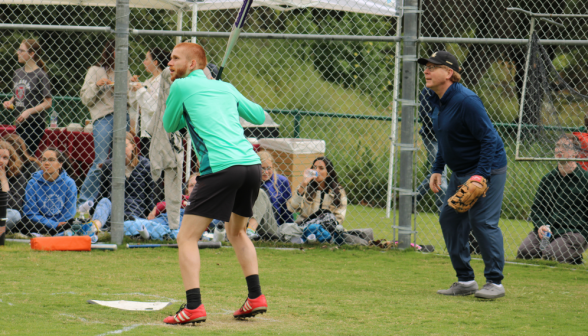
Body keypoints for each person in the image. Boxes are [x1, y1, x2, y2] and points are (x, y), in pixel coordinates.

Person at [161, 42, 267, 324]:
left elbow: (170, 125)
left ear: (193, 64)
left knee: (186, 237)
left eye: (175, 59)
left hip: (221, 167)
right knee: (237, 233)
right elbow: (258, 115)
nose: (169, 63)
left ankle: (193, 306)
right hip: (250, 165)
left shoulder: (181, 87)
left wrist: (202, 92)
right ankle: (255, 297)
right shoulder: (226, 87)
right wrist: (220, 89)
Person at [420, 51, 508, 299]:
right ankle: (466, 280)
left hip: (488, 168)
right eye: (425, 66)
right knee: (450, 219)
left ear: (449, 73)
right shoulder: (433, 97)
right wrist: (437, 168)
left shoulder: (466, 100)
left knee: (482, 222)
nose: (426, 70)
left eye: (432, 67)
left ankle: (495, 282)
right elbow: (444, 137)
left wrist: (481, 175)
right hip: (459, 170)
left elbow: (489, 138)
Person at [517, 134, 588, 264]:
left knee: (550, 255)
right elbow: (537, 209)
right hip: (549, 231)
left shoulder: (585, 180)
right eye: (557, 146)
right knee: (524, 252)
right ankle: (572, 257)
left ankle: (572, 255)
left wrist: (585, 235)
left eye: (565, 146)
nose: (559, 150)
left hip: (574, 231)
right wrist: (541, 226)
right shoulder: (548, 179)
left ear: (576, 153)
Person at [79, 39, 130, 205]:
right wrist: (97, 86)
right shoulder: (95, 70)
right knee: (101, 160)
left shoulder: (125, 71)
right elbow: (85, 99)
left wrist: (125, 89)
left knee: (123, 159)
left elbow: (132, 100)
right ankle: (85, 200)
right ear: (112, 52)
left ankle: (117, 200)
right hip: (103, 117)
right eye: (119, 50)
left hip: (123, 116)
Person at [90, 132, 155, 231]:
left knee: (130, 221)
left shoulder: (145, 165)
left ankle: (124, 227)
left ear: (133, 146)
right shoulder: (109, 165)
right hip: (113, 212)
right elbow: (102, 193)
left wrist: (150, 214)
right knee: (104, 201)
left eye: (124, 145)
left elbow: (149, 195)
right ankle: (93, 230)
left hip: (134, 213)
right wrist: (92, 211)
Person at [2, 39, 52, 156]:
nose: (17, 52)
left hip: (34, 123)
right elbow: (18, 94)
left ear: (31, 54)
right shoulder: (17, 72)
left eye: (21, 50)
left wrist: (29, 111)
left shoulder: (41, 75)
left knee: (23, 156)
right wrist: (10, 102)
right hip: (20, 123)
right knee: (19, 156)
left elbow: (48, 102)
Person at [15, 148, 77, 236]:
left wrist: (59, 224)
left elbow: (69, 213)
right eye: (43, 160)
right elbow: (30, 213)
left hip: (62, 223)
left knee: (72, 224)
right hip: (40, 223)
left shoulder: (69, 183)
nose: (46, 163)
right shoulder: (33, 183)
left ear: (60, 164)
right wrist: (53, 224)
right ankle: (57, 233)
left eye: (51, 160)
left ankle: (44, 234)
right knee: (22, 224)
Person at [129, 48, 170, 158]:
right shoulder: (149, 81)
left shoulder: (162, 81)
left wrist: (141, 90)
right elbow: (136, 103)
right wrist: (134, 89)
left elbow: (153, 107)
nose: (144, 62)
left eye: (147, 59)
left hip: (156, 132)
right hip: (145, 131)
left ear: (155, 62)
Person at [287, 157, 347, 226]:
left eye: (321, 168)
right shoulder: (305, 187)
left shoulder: (338, 191)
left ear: (328, 173)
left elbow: (339, 218)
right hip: (304, 227)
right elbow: (292, 208)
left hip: (327, 229)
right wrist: (303, 185)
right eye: (314, 167)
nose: (316, 171)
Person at [414, 87, 447, 212]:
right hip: (432, 136)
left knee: (436, 173)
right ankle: (444, 208)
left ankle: (411, 199)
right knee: (440, 173)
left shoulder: (452, 90)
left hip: (447, 137)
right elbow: (425, 114)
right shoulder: (428, 91)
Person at [257, 151, 293, 225]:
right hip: (254, 222)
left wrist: (289, 227)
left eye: (269, 168)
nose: (266, 172)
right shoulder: (249, 181)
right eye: (262, 168)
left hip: (273, 224)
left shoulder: (281, 181)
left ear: (273, 167)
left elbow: (286, 210)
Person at [0, 141, 26, 231]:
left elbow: (14, 207)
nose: (1, 161)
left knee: (15, 215)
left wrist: (4, 181)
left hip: (3, 214)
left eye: (5, 158)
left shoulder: (17, 177)